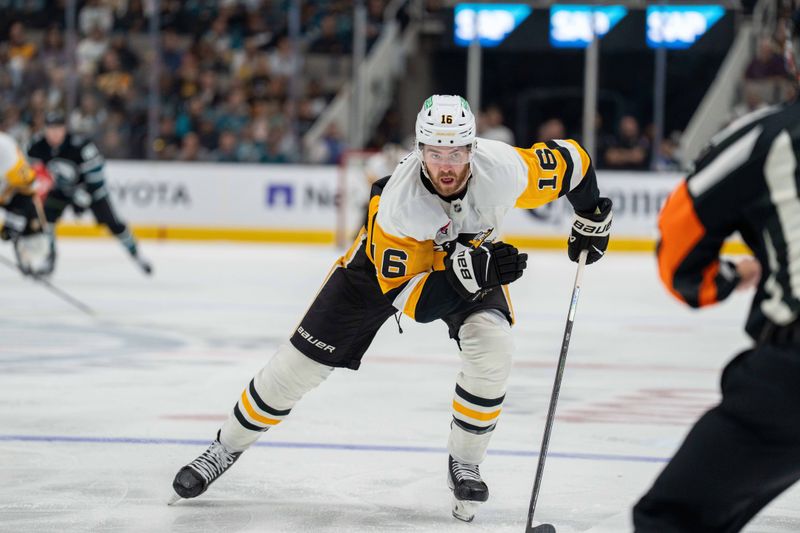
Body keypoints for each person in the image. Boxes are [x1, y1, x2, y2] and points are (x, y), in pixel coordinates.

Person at [170, 95, 613, 522]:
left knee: (493, 346)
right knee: (297, 368)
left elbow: (573, 162)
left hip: (470, 257)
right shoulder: (398, 207)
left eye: (457, 152)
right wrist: (479, 273)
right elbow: (415, 303)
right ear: (419, 150)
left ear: (473, 149)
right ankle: (225, 447)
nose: (447, 165)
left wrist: (592, 217)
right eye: (436, 153)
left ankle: (466, 464)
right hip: (379, 273)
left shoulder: (505, 170)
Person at [633, 98, 800, 532]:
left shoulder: (770, 134)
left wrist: (723, 279)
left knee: (671, 520)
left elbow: (678, 250)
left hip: (792, 373)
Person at [27, 111, 152, 275]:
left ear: (65, 129)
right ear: (45, 130)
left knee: (114, 223)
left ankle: (136, 254)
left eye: (58, 129)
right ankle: (49, 257)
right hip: (59, 191)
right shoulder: (36, 146)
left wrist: (86, 193)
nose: (54, 133)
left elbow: (97, 175)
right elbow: (29, 173)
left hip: (89, 191)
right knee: (46, 220)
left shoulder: (80, 145)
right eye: (51, 129)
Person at [0, 131, 50, 277]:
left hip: (13, 193)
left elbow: (28, 188)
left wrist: (15, 218)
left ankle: (34, 259)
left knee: (37, 245)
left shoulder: (5, 150)